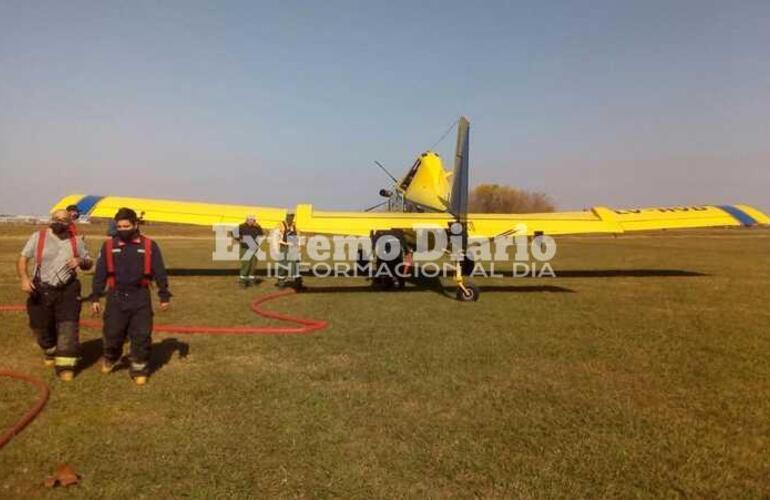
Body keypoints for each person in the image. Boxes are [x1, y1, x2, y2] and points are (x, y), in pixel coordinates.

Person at [90, 207, 171, 385]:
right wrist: (95, 297)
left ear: (135, 225)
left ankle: (139, 367)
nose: (123, 230)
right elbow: (100, 273)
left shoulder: (149, 245)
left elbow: (160, 272)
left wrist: (164, 296)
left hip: (140, 296)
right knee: (112, 333)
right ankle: (111, 356)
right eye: (119, 227)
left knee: (141, 334)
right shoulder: (109, 246)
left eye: (126, 226)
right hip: (116, 296)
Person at [17, 210, 92, 381]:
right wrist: (24, 278)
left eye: (63, 220)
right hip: (41, 290)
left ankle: (66, 366)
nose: (59, 222)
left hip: (68, 291)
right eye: (56, 219)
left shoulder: (76, 241)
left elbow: (89, 262)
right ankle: (50, 349)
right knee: (40, 326)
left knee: (68, 327)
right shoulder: (38, 237)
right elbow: (23, 258)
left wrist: (80, 261)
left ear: (70, 222)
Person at [275, 213, 303, 290]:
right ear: (286, 217)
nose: (290, 218)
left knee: (295, 265)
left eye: (292, 217)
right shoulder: (281, 225)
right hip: (284, 247)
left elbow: (298, 236)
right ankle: (281, 282)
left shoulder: (295, 226)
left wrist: (299, 246)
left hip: (293, 248)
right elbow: (277, 236)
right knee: (282, 265)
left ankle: (298, 283)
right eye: (289, 216)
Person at [235, 215, 263, 287]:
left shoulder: (256, 227)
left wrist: (258, 226)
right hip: (245, 248)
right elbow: (233, 233)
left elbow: (261, 234)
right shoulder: (241, 226)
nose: (252, 221)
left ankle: (251, 280)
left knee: (253, 264)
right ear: (247, 220)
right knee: (246, 264)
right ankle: (243, 282)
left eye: (253, 220)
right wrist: (240, 239)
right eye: (250, 220)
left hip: (254, 248)